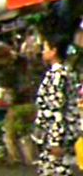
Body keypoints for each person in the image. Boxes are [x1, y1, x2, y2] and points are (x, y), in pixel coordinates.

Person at [34, 34, 80, 176]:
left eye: (45, 48)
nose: (42, 52)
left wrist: (56, 141)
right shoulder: (65, 72)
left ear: (54, 51)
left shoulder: (57, 75)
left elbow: (56, 109)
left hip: (56, 136)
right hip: (56, 134)